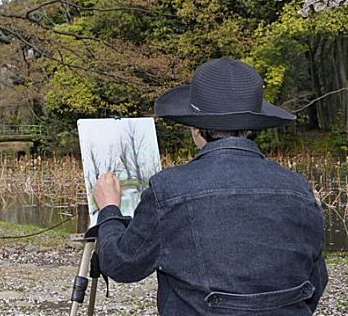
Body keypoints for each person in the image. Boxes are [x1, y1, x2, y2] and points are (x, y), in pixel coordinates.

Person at [92, 58, 328, 315]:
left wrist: (109, 209)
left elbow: (122, 265)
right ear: (255, 128)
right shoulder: (299, 189)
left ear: (195, 128)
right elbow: (315, 282)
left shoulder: (168, 189)